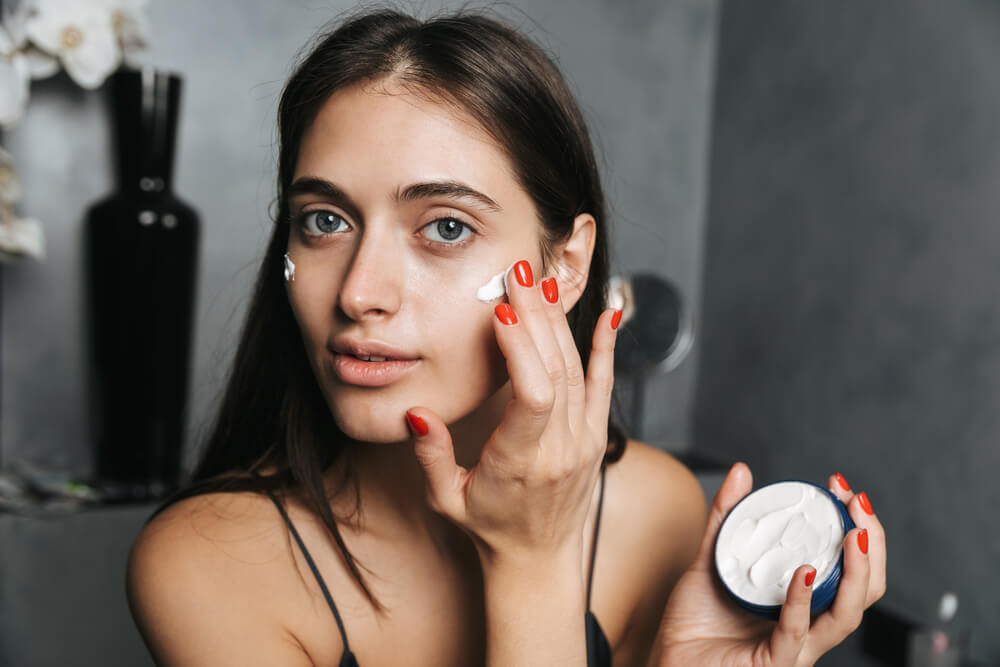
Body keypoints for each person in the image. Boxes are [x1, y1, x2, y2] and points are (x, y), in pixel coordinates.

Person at [125, 8, 886, 666]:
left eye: (446, 228)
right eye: (325, 220)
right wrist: (534, 561)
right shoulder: (210, 562)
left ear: (565, 263)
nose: (358, 293)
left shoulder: (654, 513)